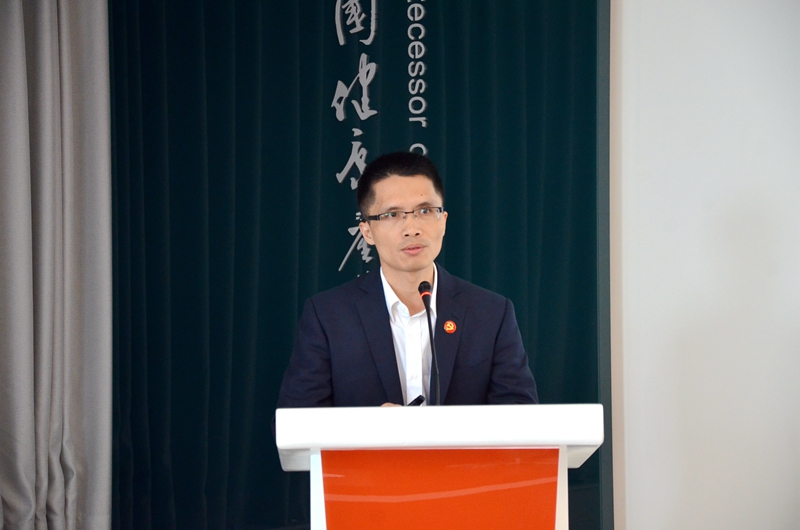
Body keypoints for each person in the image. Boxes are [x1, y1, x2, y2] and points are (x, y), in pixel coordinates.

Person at [277, 152, 538, 408]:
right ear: (367, 231)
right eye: (392, 215)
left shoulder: (491, 313)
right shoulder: (328, 316)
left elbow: (522, 416)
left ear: (443, 221)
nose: (412, 229)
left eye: (425, 210)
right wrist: (365, 428)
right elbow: (293, 423)